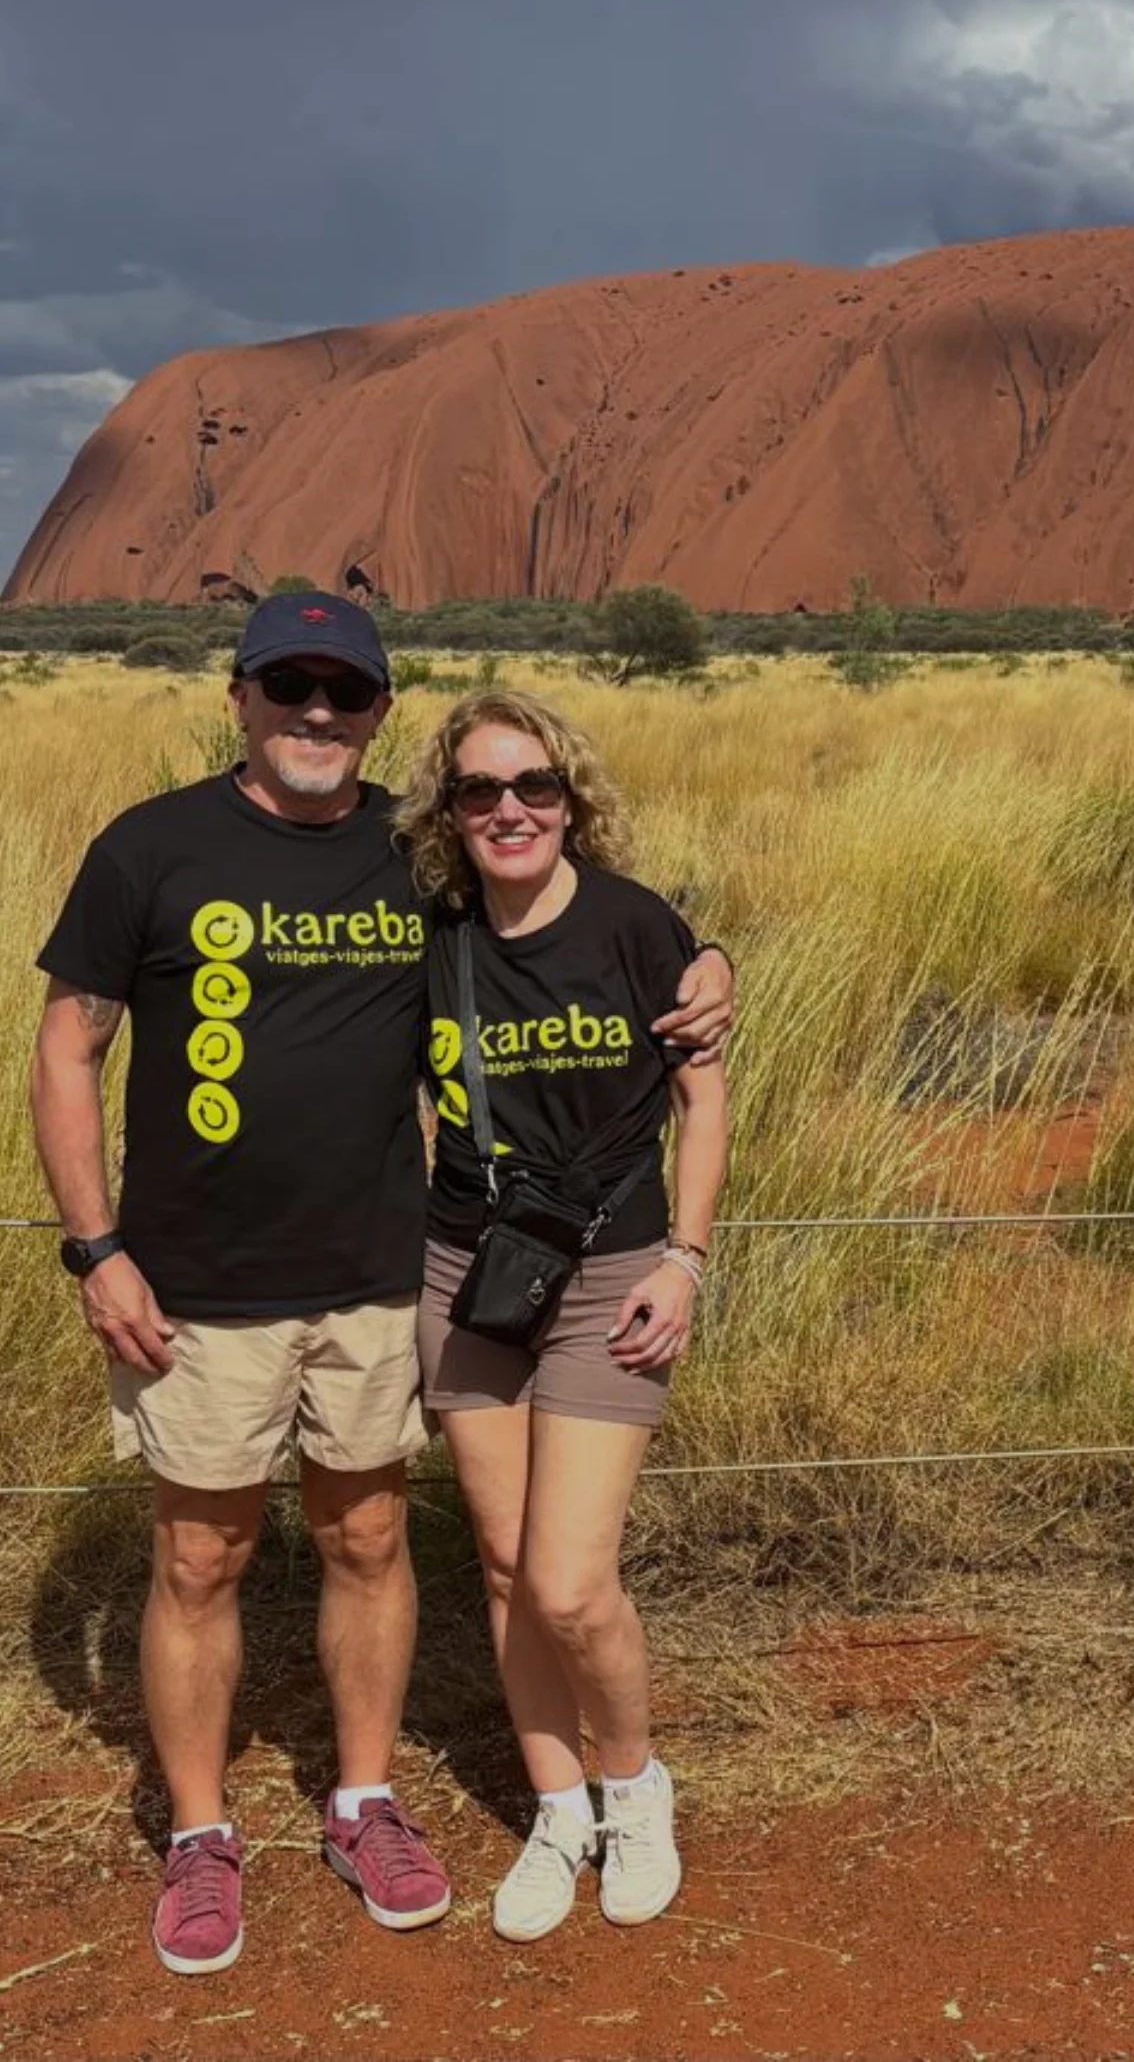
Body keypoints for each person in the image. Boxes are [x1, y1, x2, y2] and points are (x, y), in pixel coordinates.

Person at [29, 593, 734, 1977]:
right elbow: (66, 1048)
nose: (314, 713)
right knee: (197, 1557)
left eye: (343, 693)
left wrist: (709, 957)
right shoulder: (151, 847)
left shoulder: (416, 859)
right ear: (239, 696)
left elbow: (583, 910)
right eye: (287, 685)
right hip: (193, 1284)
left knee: (368, 1543)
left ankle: (364, 1798)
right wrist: (96, 1248)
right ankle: (198, 1834)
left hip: (378, 1280)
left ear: (376, 714)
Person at [395, 690, 727, 1943]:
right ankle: (555, 1806)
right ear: (450, 812)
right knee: (500, 1567)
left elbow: (703, 1101)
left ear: (572, 800)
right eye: (480, 791)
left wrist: (686, 1261)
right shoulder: (432, 930)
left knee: (572, 1582)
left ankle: (635, 1787)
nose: (511, 810)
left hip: (609, 1271)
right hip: (466, 1271)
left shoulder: (641, 929)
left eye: (535, 786)